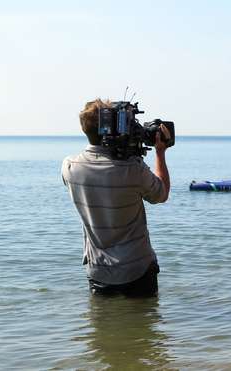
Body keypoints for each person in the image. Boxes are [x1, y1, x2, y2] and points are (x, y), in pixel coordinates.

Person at [62, 98, 171, 297]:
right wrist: (160, 153)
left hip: (99, 271)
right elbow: (161, 195)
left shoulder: (70, 167)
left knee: (102, 326)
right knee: (144, 326)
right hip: (137, 269)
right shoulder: (133, 169)